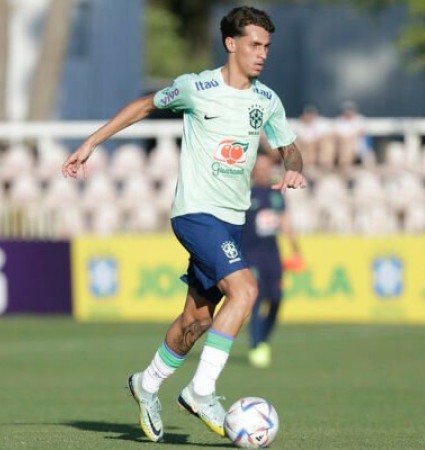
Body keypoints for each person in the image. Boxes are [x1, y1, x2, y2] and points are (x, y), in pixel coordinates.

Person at [61, 6, 307, 443]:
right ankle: (201, 390)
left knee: (196, 321)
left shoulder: (267, 100)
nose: (262, 53)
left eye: (267, 46)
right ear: (231, 43)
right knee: (246, 291)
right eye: (254, 44)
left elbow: (289, 147)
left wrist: (293, 168)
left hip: (232, 221)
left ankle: (147, 383)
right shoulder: (197, 88)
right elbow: (144, 105)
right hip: (195, 213)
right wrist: (91, 143)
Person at [242, 152, 302, 369]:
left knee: (276, 299)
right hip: (251, 255)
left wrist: (296, 249)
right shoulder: (244, 193)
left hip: (272, 255)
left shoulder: (277, 193)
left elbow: (285, 221)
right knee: (257, 300)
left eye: (265, 166)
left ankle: (264, 340)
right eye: (258, 166)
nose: (262, 170)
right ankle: (256, 345)